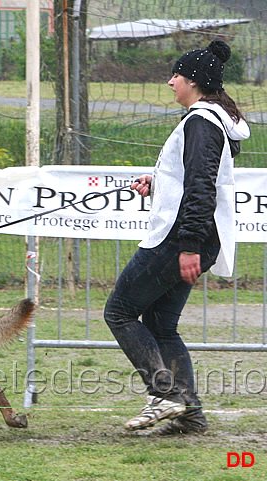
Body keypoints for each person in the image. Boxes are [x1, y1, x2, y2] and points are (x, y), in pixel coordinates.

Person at [103, 39, 251, 435]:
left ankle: (165, 394)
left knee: (118, 312)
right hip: (194, 237)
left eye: (177, 75)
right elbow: (195, 177)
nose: (171, 82)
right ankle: (190, 416)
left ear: (194, 81)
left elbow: (202, 186)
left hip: (181, 239)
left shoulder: (201, 122)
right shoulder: (211, 119)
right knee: (160, 324)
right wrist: (159, 182)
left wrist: (187, 248)